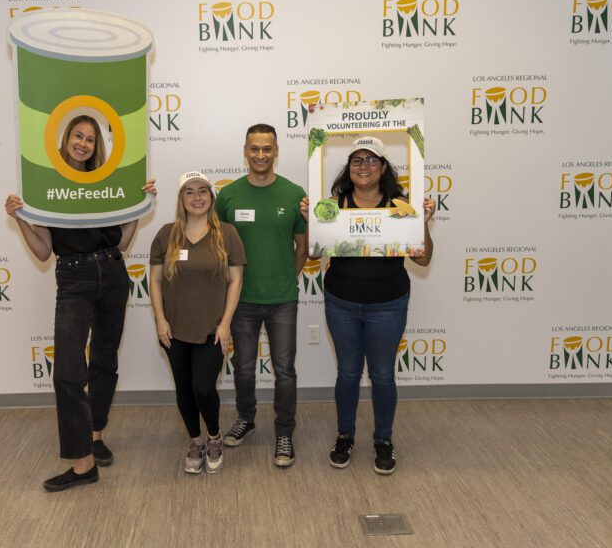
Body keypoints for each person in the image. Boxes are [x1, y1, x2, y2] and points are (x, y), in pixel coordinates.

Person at [4, 115, 155, 492]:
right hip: (72, 278)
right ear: (66, 138)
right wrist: (20, 217)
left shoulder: (107, 182)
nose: (84, 143)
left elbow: (120, 242)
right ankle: (82, 462)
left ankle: (95, 434)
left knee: (105, 359)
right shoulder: (45, 186)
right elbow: (42, 252)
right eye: (78, 136)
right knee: (70, 369)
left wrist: (140, 206)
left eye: (90, 138)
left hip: (113, 272)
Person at [302, 135, 434, 475]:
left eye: (371, 160)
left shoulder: (401, 204)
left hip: (388, 303)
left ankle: (383, 440)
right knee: (347, 373)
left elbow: (422, 259)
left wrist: (422, 224)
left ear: (384, 167)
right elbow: (315, 253)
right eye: (357, 160)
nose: (364, 167)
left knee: (382, 375)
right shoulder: (334, 202)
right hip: (341, 302)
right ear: (349, 168)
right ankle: (345, 436)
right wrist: (312, 223)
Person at [216, 123, 308, 467]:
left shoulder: (293, 194)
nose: (260, 155)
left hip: (283, 298)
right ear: (245, 150)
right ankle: (246, 419)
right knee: (242, 367)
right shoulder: (228, 196)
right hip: (240, 301)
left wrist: (285, 276)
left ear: (276, 151)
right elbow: (216, 246)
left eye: (266, 149)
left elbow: (303, 247)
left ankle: (284, 431)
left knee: (285, 369)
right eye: (254, 149)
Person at [149, 171, 245, 474]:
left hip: (212, 329)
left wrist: (225, 323)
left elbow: (236, 280)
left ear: (211, 197)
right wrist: (160, 320)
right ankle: (195, 440)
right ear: (181, 199)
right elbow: (154, 279)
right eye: (189, 192)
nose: (197, 197)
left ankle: (214, 436)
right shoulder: (167, 234)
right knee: (184, 390)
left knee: (204, 387)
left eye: (203, 191)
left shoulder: (227, 233)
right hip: (174, 329)